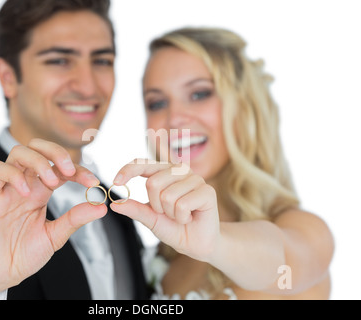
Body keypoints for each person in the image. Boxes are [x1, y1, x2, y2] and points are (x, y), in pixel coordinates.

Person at [0, 0, 149, 300]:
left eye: (101, 61)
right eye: (59, 61)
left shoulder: (118, 210)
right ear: (8, 77)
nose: (88, 86)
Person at [110, 27, 335, 299]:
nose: (175, 118)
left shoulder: (306, 231)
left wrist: (214, 243)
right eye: (157, 103)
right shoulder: (164, 252)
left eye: (199, 94)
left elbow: (282, 259)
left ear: (244, 106)